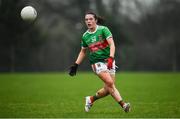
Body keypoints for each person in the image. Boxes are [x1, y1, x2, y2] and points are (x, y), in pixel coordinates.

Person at [69, 11, 130, 113]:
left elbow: (112, 44)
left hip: (109, 60)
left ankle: (91, 99)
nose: (88, 21)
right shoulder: (85, 36)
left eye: (90, 19)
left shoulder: (103, 30)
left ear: (95, 20)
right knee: (110, 83)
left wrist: (111, 58)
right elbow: (83, 51)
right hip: (96, 63)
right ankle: (124, 105)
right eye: (86, 19)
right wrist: (76, 65)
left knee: (108, 88)